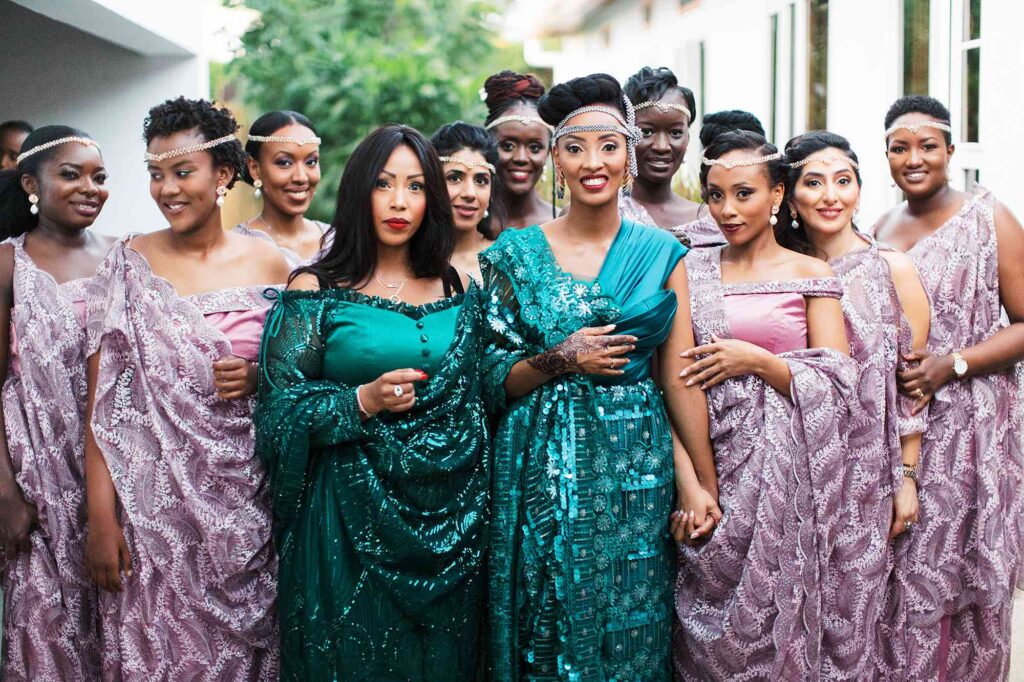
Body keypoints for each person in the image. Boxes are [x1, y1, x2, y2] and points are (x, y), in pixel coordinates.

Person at [483, 72, 716, 681]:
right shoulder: (512, 255)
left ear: (629, 157)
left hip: (637, 468)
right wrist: (564, 357)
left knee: (632, 623)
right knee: (550, 618)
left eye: (609, 146)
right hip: (541, 469)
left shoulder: (664, 253)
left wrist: (700, 484)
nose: (594, 162)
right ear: (556, 159)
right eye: (576, 147)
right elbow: (492, 380)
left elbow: (678, 379)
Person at [255, 124, 492, 681]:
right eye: (384, 185)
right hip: (345, 522)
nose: (400, 202)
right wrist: (361, 400)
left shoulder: (459, 287)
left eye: (415, 186)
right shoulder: (316, 288)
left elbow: (484, 391)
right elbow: (277, 410)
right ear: (360, 192)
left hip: (454, 523)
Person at [83, 97, 290, 680]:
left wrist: (259, 377)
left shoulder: (276, 267)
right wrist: (102, 519)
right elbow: (100, 402)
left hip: (251, 506)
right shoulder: (128, 263)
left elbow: (302, 382)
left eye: (182, 172)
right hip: (152, 518)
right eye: (155, 174)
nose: (167, 189)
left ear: (222, 174)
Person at [673, 130, 855, 680]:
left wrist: (757, 361)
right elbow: (671, 382)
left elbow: (840, 385)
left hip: (788, 481)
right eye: (715, 195)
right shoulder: (687, 270)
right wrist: (694, 482)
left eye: (744, 193)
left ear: (777, 195)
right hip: (710, 468)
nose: (728, 210)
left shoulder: (811, 275)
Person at [873, 95, 1024, 680]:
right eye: (899, 147)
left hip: (973, 433)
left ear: (951, 152)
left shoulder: (990, 218)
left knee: (964, 579)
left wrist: (952, 364)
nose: (914, 159)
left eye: (927, 146)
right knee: (901, 581)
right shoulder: (877, 228)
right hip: (900, 432)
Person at [781, 130, 931, 678]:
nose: (829, 196)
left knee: (854, 623)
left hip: (869, 473)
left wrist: (907, 477)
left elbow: (913, 382)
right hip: (790, 470)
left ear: (860, 190)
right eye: (813, 183)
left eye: (843, 182)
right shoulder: (779, 269)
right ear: (789, 196)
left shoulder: (892, 269)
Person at [0, 126, 114, 680]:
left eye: (99, 176)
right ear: (31, 183)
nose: (89, 187)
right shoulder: (6, 265)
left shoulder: (126, 257)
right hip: (38, 484)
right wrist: (5, 492)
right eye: (70, 174)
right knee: (48, 636)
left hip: (114, 484)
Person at [619, 66, 705, 246]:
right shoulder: (600, 216)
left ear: (687, 139)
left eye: (675, 133)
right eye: (647, 132)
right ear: (625, 135)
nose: (662, 146)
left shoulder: (711, 221)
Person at [235, 110, 329, 266]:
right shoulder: (236, 248)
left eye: (311, 162)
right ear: (255, 168)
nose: (301, 177)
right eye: (285, 162)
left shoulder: (337, 242)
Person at [430, 121, 502, 282]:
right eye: (454, 178)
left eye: (481, 181)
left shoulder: (508, 262)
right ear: (432, 183)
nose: (470, 193)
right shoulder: (405, 260)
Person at [482, 70, 555, 228]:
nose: (521, 158)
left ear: (549, 152)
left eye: (535, 148)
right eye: (508, 146)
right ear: (487, 147)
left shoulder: (560, 224)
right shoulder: (468, 221)